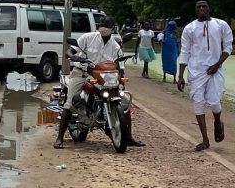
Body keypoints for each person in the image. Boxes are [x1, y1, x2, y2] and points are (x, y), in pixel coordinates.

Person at [54, 16, 141, 149]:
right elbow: (69, 51)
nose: (104, 28)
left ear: (113, 28)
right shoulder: (87, 38)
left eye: (107, 25)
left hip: (104, 77)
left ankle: (128, 137)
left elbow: (120, 67)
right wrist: (72, 56)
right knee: (70, 102)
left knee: (124, 103)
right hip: (82, 73)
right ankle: (59, 138)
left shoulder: (115, 46)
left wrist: (121, 83)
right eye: (102, 25)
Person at [177, 0, 233, 151]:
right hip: (196, 71)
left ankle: (217, 121)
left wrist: (217, 64)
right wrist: (180, 75)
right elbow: (185, 51)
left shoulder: (221, 25)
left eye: (204, 6)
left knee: (214, 101)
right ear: (196, 9)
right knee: (198, 104)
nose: (201, 8)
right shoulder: (190, 28)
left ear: (209, 8)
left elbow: (228, 47)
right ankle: (205, 140)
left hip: (215, 69)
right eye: (198, 6)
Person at [161, 19, 179, 83]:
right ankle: (164, 77)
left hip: (173, 50)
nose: (171, 27)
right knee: (165, 62)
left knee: (174, 63)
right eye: (170, 25)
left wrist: (178, 50)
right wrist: (161, 40)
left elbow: (177, 42)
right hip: (165, 50)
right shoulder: (165, 32)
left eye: (172, 26)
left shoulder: (175, 33)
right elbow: (160, 37)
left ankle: (174, 79)